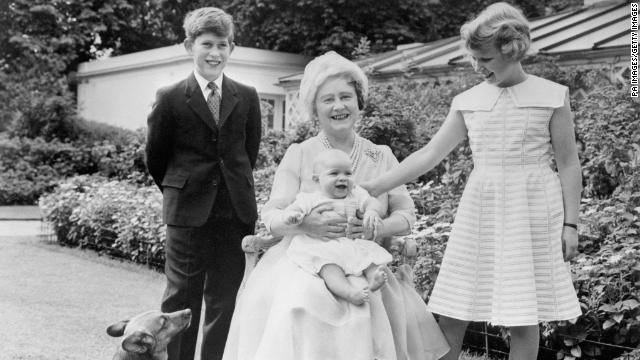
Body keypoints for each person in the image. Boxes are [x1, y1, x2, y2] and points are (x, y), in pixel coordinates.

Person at [362, 3, 582, 359]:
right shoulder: (469, 101)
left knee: (524, 318)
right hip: (482, 209)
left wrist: (571, 224)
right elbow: (430, 154)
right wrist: (378, 185)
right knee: (453, 309)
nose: (478, 67)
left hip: (533, 211)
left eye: (486, 59)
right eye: (475, 59)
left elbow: (569, 163)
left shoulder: (552, 95)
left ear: (512, 50)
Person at [222, 51, 449, 360]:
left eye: (346, 97)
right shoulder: (300, 154)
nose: (339, 106)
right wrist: (303, 224)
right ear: (314, 107)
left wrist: (378, 227)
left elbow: (407, 216)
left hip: (363, 259)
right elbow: (272, 216)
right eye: (327, 99)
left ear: (359, 102)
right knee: (303, 298)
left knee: (370, 301)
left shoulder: (380, 156)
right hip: (303, 261)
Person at [145, 7, 261, 360]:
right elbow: (156, 158)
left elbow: (247, 153)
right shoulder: (170, 97)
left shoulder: (247, 95)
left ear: (231, 48)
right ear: (188, 46)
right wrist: (182, 192)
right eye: (206, 44)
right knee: (182, 299)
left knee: (224, 300)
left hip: (234, 213)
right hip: (187, 215)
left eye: (222, 45)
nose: (214, 53)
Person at [282, 149, 390, 306]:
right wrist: (294, 217)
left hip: (350, 243)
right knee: (329, 269)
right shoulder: (311, 198)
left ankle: (374, 279)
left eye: (348, 173)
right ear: (317, 179)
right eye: (334, 173)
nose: (343, 178)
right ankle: (350, 293)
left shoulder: (356, 194)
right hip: (322, 245)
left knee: (370, 259)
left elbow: (373, 202)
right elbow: (294, 210)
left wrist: (372, 211)